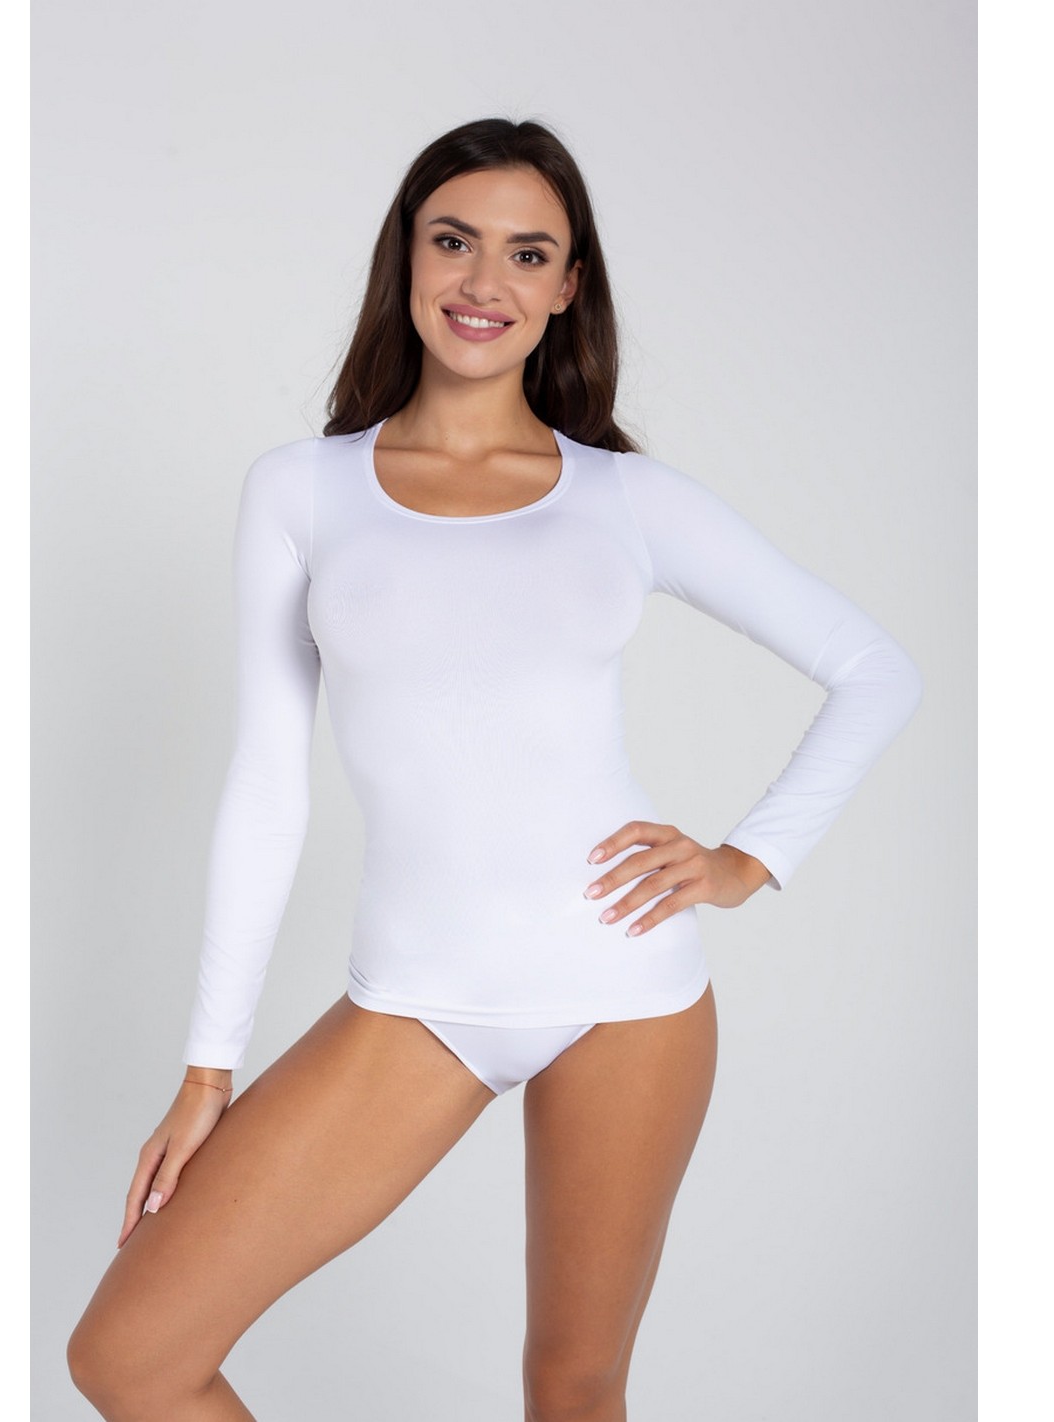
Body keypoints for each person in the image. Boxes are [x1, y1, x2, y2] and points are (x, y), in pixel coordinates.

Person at [67, 116, 922, 1420]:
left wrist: (749, 859)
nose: (485, 283)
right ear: (406, 256)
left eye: (528, 255)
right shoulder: (303, 492)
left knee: (572, 1385)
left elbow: (873, 667)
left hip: (628, 992)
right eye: (454, 241)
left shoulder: (621, 498)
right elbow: (268, 790)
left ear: (569, 286)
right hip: (416, 998)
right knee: (130, 1356)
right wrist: (207, 1070)